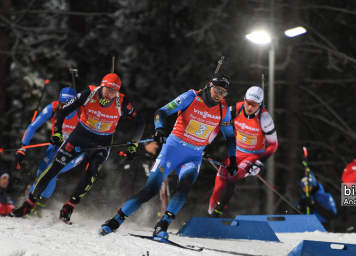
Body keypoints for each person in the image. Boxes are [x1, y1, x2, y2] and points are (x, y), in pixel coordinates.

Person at [100, 73, 238, 238]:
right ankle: (115, 221)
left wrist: (233, 159)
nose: (219, 95)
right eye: (217, 90)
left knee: (184, 187)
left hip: (193, 156)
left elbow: (230, 137)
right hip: (172, 150)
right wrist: (159, 129)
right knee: (150, 190)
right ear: (209, 86)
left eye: (223, 93)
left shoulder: (223, 109)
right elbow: (161, 112)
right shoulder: (191, 97)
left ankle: (162, 226)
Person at [10, 73, 145, 223]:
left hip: (102, 142)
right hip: (80, 136)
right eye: (108, 90)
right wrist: (58, 134)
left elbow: (140, 122)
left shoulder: (122, 103)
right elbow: (62, 112)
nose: (110, 94)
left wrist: (134, 144)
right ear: (102, 85)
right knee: (53, 167)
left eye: (114, 91)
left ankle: (69, 207)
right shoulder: (88, 94)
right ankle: (29, 203)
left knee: (91, 173)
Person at [208, 86, 278, 217]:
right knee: (218, 185)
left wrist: (259, 163)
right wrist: (206, 143)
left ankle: (219, 210)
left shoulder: (264, 119)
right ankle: (209, 215)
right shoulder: (236, 109)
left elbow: (274, 145)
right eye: (248, 103)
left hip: (253, 155)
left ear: (260, 104)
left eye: (254, 105)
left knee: (231, 177)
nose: (250, 107)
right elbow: (218, 124)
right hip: (236, 152)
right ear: (244, 100)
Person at [15, 87, 82, 212]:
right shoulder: (54, 108)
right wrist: (22, 149)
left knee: (52, 170)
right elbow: (32, 127)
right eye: (62, 104)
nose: (65, 107)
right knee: (41, 172)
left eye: (68, 104)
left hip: (76, 152)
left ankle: (38, 208)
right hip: (56, 147)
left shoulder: (82, 111)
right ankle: (27, 207)